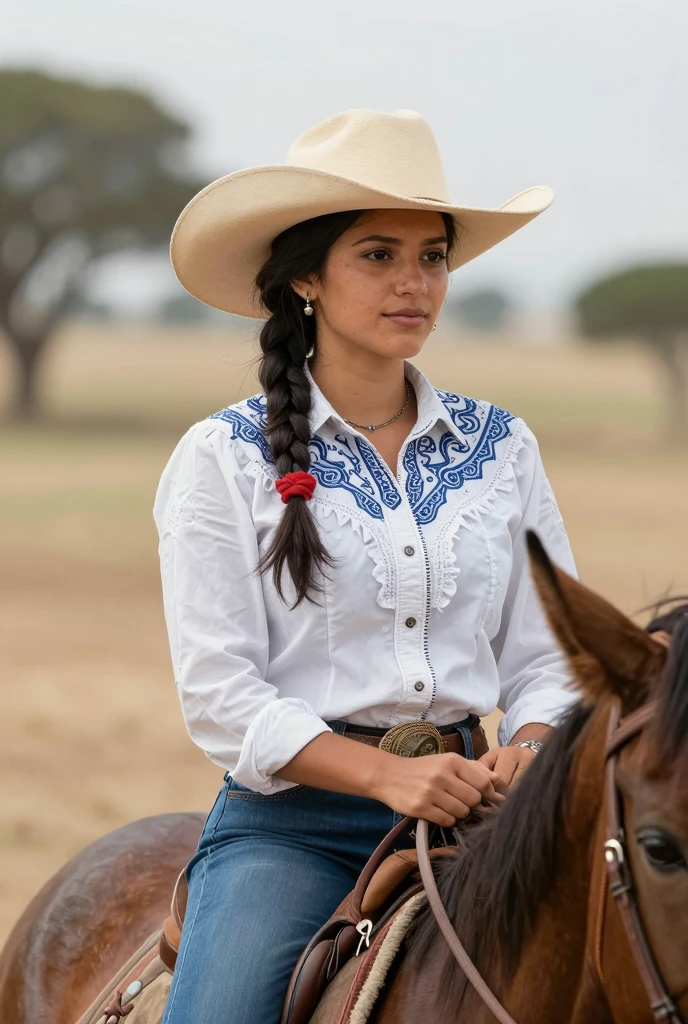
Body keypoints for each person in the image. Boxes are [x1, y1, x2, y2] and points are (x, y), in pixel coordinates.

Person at [153, 108, 578, 1024]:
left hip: (488, 811)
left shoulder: (503, 447)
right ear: (305, 274)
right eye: (378, 255)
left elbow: (550, 657)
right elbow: (222, 692)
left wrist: (530, 748)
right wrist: (387, 776)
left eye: (433, 257)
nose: (415, 283)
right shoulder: (221, 458)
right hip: (295, 829)